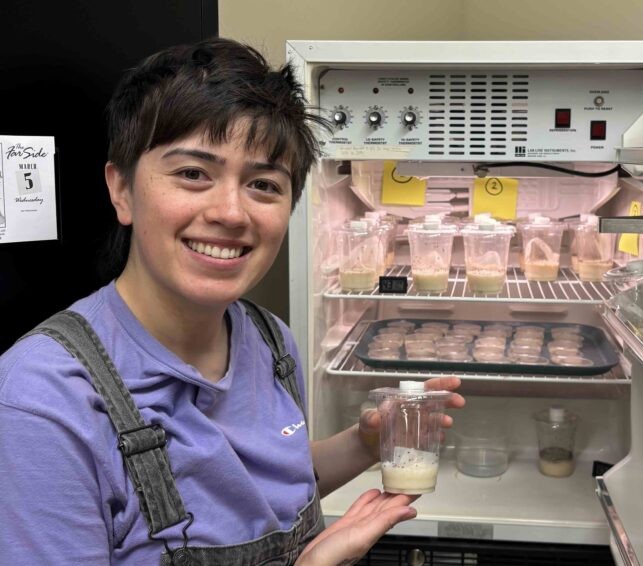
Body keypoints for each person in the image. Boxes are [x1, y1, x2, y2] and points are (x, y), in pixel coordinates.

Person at [0, 37, 463, 565]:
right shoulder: (42, 403)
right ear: (122, 190)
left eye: (264, 184)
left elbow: (266, 482)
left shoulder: (269, 339)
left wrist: (364, 442)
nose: (232, 213)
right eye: (193, 173)